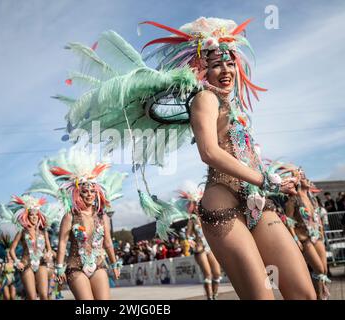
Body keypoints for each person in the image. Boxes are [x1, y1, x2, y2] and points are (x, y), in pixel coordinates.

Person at [56, 17, 315, 300]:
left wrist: (277, 179)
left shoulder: (235, 105)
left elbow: (244, 153)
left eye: (229, 63)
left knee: (304, 293)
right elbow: (210, 152)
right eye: (216, 64)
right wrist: (265, 179)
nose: (225, 70)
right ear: (202, 69)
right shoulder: (205, 99)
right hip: (223, 206)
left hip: (257, 201)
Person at [54, 160, 121, 300]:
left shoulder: (103, 217)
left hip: (98, 265)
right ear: (78, 193)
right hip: (75, 268)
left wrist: (114, 264)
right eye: (85, 191)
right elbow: (62, 243)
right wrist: (59, 266)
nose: (89, 194)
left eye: (92, 191)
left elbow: (108, 242)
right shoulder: (70, 216)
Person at [284, 169, 330, 300]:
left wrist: (321, 231)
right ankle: (318, 296)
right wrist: (295, 239)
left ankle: (322, 297)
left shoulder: (312, 198)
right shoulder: (293, 199)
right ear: (297, 181)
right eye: (303, 178)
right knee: (319, 270)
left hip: (317, 237)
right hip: (304, 238)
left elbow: (317, 217)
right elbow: (289, 220)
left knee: (325, 271)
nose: (307, 180)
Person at [9, 195, 54, 300]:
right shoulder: (22, 232)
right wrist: (17, 262)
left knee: (44, 295)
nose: (34, 217)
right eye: (31, 215)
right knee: (32, 297)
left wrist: (48, 254)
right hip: (26, 264)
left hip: (41, 264)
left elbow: (49, 248)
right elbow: (12, 250)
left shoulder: (43, 232)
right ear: (26, 216)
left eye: (36, 215)